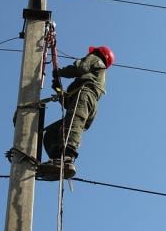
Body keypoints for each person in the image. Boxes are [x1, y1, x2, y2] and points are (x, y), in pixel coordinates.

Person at [38, 46, 115, 179]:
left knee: (73, 123)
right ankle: (57, 161)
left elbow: (81, 68)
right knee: (51, 134)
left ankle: (67, 158)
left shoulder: (95, 59)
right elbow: (68, 104)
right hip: (86, 102)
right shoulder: (89, 80)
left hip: (85, 96)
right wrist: (58, 88)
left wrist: (59, 72)